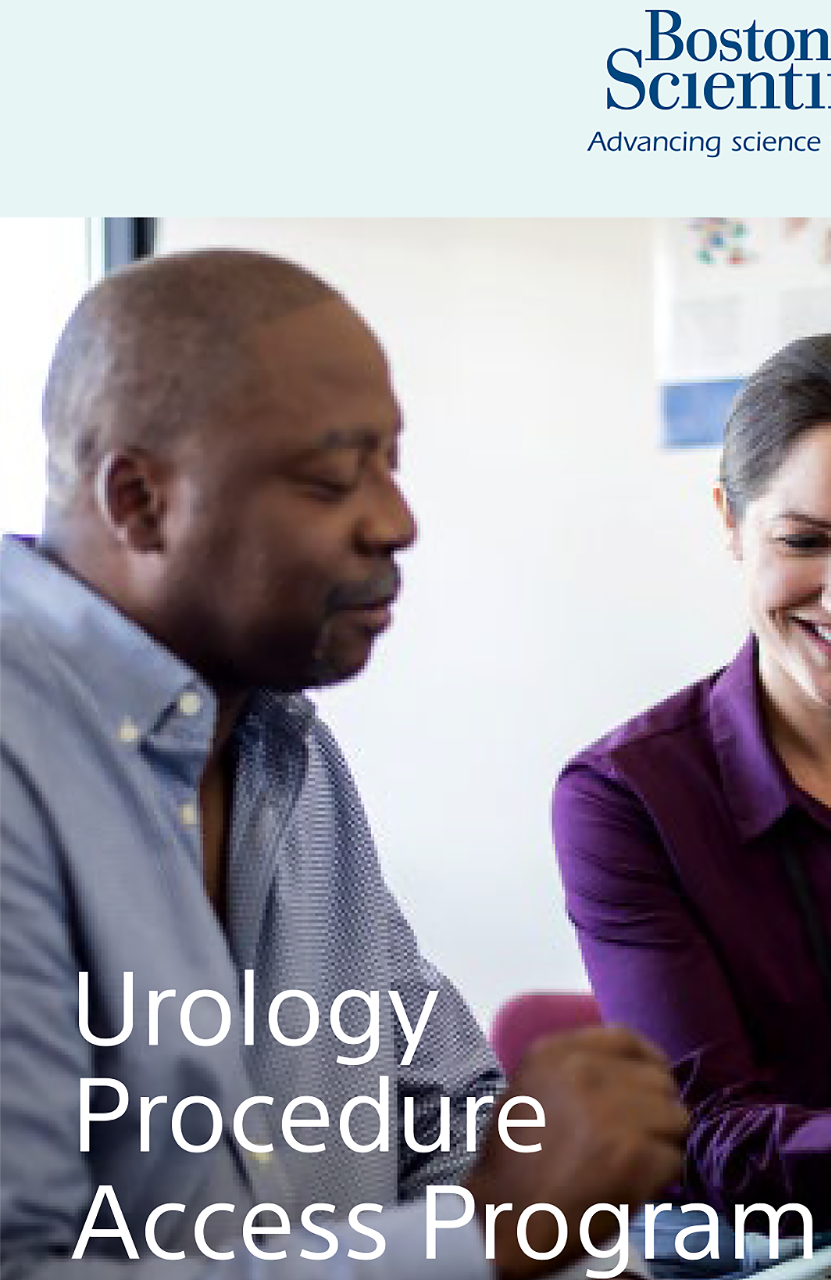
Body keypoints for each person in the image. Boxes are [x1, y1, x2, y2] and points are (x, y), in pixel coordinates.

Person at [0, 246, 688, 1277]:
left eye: (390, 463)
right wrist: (487, 1233)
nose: (396, 522)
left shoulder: (288, 753)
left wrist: (571, 1210)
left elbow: (446, 1121)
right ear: (138, 501)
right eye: (331, 479)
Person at [552, 329, 831, 1273]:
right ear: (730, 519)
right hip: (739, 1244)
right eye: (804, 541)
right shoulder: (626, 797)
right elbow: (703, 1132)